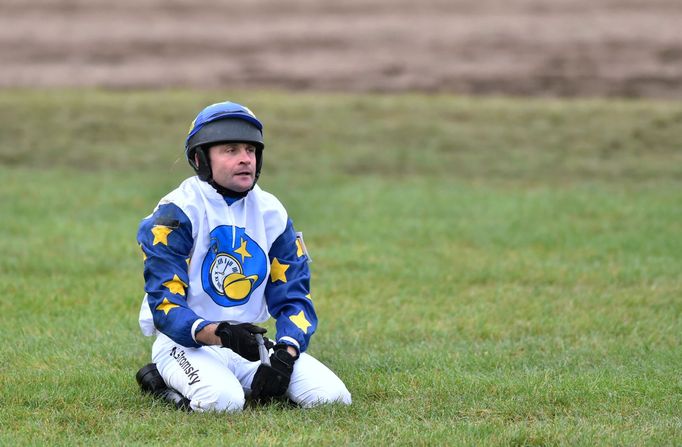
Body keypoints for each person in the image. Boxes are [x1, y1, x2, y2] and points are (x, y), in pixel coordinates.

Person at [134, 100, 351, 412]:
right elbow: (165, 307)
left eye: (250, 150)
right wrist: (219, 333)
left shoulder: (272, 212)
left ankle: (236, 383)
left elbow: (294, 298)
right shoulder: (175, 214)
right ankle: (160, 383)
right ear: (200, 158)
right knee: (223, 403)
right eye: (231, 150)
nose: (245, 159)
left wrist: (286, 355)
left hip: (251, 343)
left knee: (333, 398)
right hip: (186, 344)